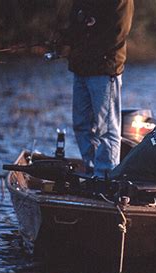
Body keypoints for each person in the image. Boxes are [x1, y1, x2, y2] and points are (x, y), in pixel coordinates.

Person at [58, 0, 134, 177]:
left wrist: (87, 39)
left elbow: (119, 31)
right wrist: (65, 38)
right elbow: (77, 23)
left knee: (106, 128)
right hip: (81, 68)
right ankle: (92, 171)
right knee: (81, 124)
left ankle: (106, 177)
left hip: (104, 69)